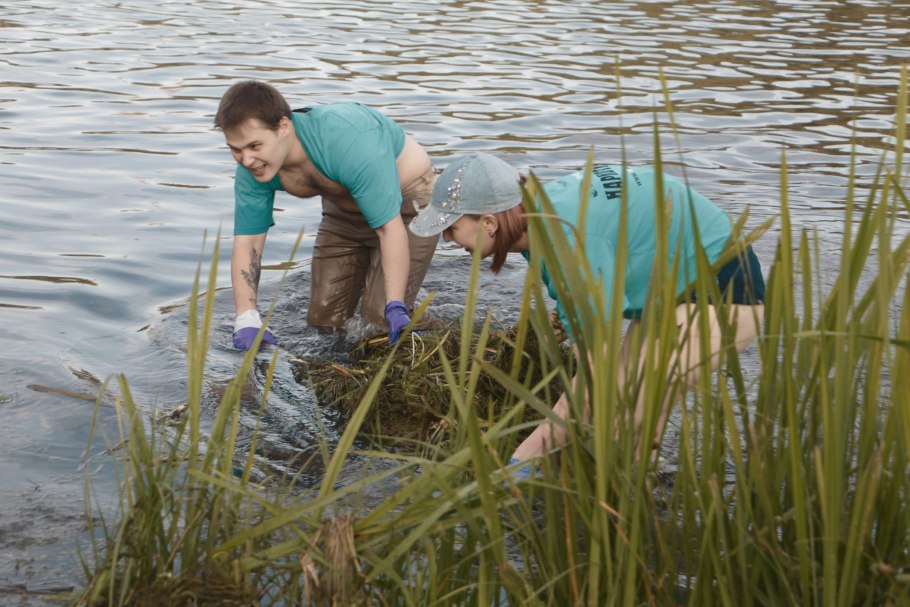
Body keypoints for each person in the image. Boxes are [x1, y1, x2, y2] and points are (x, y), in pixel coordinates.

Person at [409, 153, 765, 472]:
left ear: (489, 222)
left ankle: (637, 505)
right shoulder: (538, 211)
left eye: (451, 228)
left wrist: (521, 462)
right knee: (618, 422)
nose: (447, 240)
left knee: (625, 429)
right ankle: (645, 494)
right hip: (670, 290)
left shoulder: (566, 241)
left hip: (722, 292)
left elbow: (595, 377)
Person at [214, 80, 439, 350]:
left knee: (378, 317)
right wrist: (246, 317)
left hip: (407, 206)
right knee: (324, 321)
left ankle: (437, 335)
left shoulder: (346, 141)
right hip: (343, 210)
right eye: (236, 149)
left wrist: (395, 305)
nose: (247, 160)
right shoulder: (252, 169)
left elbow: (388, 229)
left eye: (254, 146)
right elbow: (248, 242)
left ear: (283, 125)